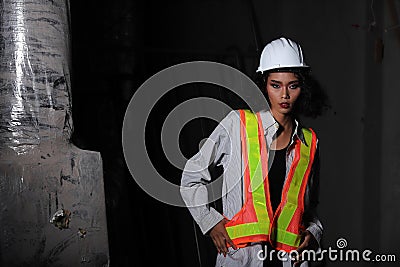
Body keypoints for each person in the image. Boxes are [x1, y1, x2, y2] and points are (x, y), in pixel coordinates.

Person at [180, 37, 327, 267]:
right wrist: (210, 222)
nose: (285, 95)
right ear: (264, 85)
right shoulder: (237, 125)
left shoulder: (308, 142)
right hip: (242, 260)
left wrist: (313, 234)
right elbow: (191, 177)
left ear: (303, 87)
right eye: (276, 85)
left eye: (293, 85)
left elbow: (309, 208)